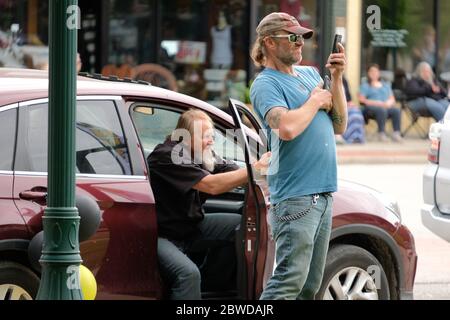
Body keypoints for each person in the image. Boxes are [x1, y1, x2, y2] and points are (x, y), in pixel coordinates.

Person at [249, 12, 347, 300]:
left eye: (302, 37)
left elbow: (339, 124)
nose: (300, 43)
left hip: (323, 193)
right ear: (269, 42)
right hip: (296, 199)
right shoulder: (266, 84)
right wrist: (316, 100)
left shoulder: (310, 74)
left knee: (309, 286)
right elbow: (286, 128)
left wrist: (337, 79)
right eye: (292, 37)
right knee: (288, 282)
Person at [147, 109, 270, 300]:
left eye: (211, 136)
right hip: (161, 235)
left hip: (190, 228)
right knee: (188, 274)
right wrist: (255, 169)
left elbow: (230, 170)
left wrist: (260, 174)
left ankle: (213, 285)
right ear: (186, 137)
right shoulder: (167, 156)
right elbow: (212, 186)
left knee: (244, 225)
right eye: (206, 136)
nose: (211, 141)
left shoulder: (201, 153)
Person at [359, 64, 402, 142]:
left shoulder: (386, 85)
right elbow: (362, 100)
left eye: (375, 71)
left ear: (379, 73)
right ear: (368, 73)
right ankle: (381, 133)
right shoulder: (365, 85)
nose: (374, 73)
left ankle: (396, 134)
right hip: (371, 109)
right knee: (381, 110)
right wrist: (378, 103)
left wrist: (388, 103)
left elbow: (392, 99)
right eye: (371, 71)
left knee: (396, 111)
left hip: (385, 107)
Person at [340, 77, 365, 144]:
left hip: (346, 106)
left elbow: (349, 98)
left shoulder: (344, 80)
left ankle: (357, 137)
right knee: (352, 114)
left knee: (356, 112)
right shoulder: (327, 79)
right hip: (336, 106)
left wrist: (350, 103)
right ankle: (349, 137)